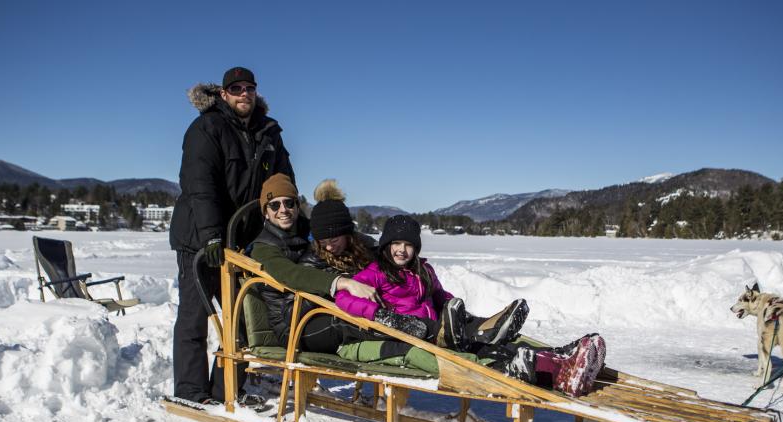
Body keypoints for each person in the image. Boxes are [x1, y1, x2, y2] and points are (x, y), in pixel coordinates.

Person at [335, 215, 606, 397]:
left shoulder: (423, 270)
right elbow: (343, 299)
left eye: (408, 245)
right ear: (386, 245)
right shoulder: (375, 272)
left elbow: (440, 295)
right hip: (410, 330)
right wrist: (381, 315)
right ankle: (554, 370)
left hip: (437, 326)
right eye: (396, 244)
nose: (402, 251)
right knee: (480, 345)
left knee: (495, 340)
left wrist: (455, 308)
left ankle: (561, 357)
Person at [170, 66, 294, 404]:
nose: (244, 94)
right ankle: (191, 391)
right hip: (200, 240)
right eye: (236, 88)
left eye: (250, 88)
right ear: (224, 94)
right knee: (195, 317)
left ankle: (224, 388)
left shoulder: (269, 132)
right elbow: (200, 186)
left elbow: (283, 185)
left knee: (242, 319)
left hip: (242, 241)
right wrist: (212, 235)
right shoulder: (206, 128)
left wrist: (295, 228)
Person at [250, 175, 380, 353]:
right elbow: (292, 273)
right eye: (274, 205)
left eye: (289, 203)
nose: (283, 210)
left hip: (323, 309)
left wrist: (381, 249)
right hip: (292, 323)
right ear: (265, 211)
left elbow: (341, 231)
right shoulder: (264, 247)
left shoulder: (310, 229)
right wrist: (343, 282)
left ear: (297, 206)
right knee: (352, 322)